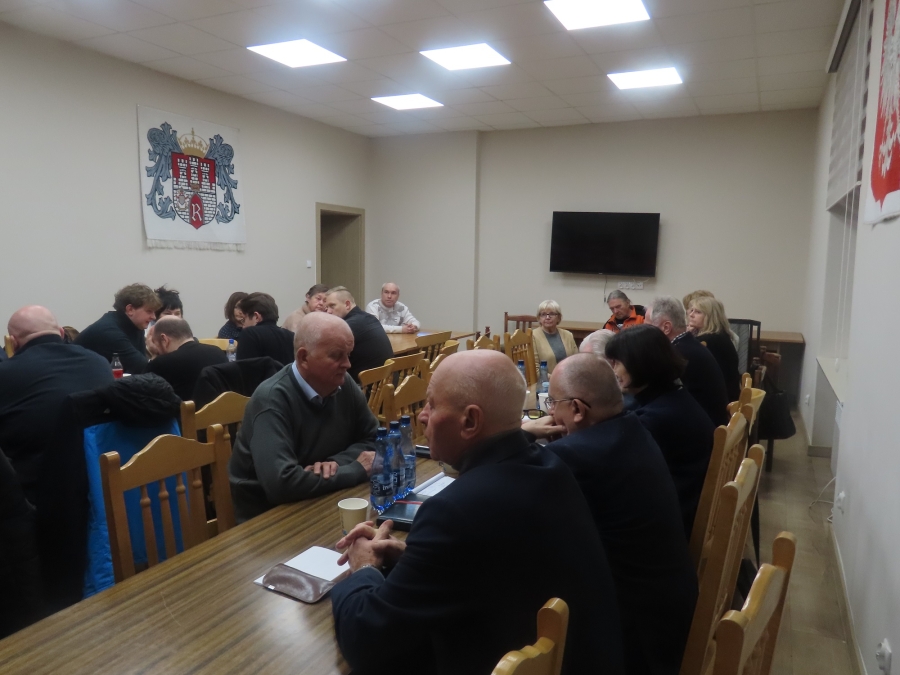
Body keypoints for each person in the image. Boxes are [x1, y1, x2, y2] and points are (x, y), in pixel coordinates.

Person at [331, 350, 625, 675]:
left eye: (432, 405)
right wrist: (410, 558)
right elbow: (492, 568)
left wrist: (363, 568)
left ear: (470, 421)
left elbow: (365, 643)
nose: (422, 417)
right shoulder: (552, 468)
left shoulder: (454, 511)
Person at [523, 354, 697, 675]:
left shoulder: (576, 455)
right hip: (667, 611)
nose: (550, 413)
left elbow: (510, 481)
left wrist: (524, 434)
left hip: (635, 638)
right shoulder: (633, 428)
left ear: (577, 409)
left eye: (553, 403)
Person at [0, 306, 113, 612]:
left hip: (37, 500)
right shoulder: (98, 362)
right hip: (100, 485)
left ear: (14, 342)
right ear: (62, 333)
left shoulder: (6, 374)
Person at [229, 312, 377, 523]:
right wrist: (354, 469)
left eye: (348, 354)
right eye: (336, 356)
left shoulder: (342, 383)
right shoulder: (271, 400)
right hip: (269, 519)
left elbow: (375, 439)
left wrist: (335, 463)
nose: (347, 364)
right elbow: (281, 484)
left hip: (323, 499)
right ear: (303, 358)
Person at [605, 325, 715, 536]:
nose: (613, 370)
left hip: (671, 524)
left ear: (639, 363)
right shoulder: (674, 397)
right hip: (683, 504)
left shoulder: (655, 419)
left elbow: (616, 472)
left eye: (617, 362)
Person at [645, 296, 730, 426]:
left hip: (705, 429)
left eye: (647, 326)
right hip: (709, 422)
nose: (643, 331)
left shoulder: (678, 354)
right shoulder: (686, 344)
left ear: (666, 327)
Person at [75, 283, 160, 374]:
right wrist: (156, 353)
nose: (154, 317)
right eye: (149, 311)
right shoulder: (109, 332)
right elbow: (143, 369)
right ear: (130, 309)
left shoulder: (136, 325)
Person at [146, 317, 227, 401]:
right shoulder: (218, 352)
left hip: (184, 409)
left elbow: (141, 391)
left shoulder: (162, 363)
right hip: (222, 408)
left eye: (155, 342)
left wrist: (154, 355)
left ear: (164, 339)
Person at [325, 286, 393, 382]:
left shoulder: (347, 326)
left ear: (347, 304)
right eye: (326, 308)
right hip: (386, 384)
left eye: (332, 306)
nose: (328, 312)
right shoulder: (369, 318)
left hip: (365, 388)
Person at [687, 295, 741, 402]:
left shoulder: (707, 341)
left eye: (698, 312)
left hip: (716, 402)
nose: (691, 315)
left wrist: (687, 337)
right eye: (691, 310)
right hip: (728, 397)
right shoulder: (721, 335)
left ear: (710, 316)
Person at [235, 292, 295, 366]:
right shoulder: (292, 336)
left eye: (244, 320)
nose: (243, 326)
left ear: (256, 317)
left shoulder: (250, 334)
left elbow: (243, 369)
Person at [531, 299, 577, 373]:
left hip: (569, 377)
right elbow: (534, 369)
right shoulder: (532, 336)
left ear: (559, 317)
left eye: (552, 314)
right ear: (539, 318)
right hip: (546, 379)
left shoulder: (568, 335)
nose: (547, 317)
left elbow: (576, 362)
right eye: (543, 314)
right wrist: (554, 378)